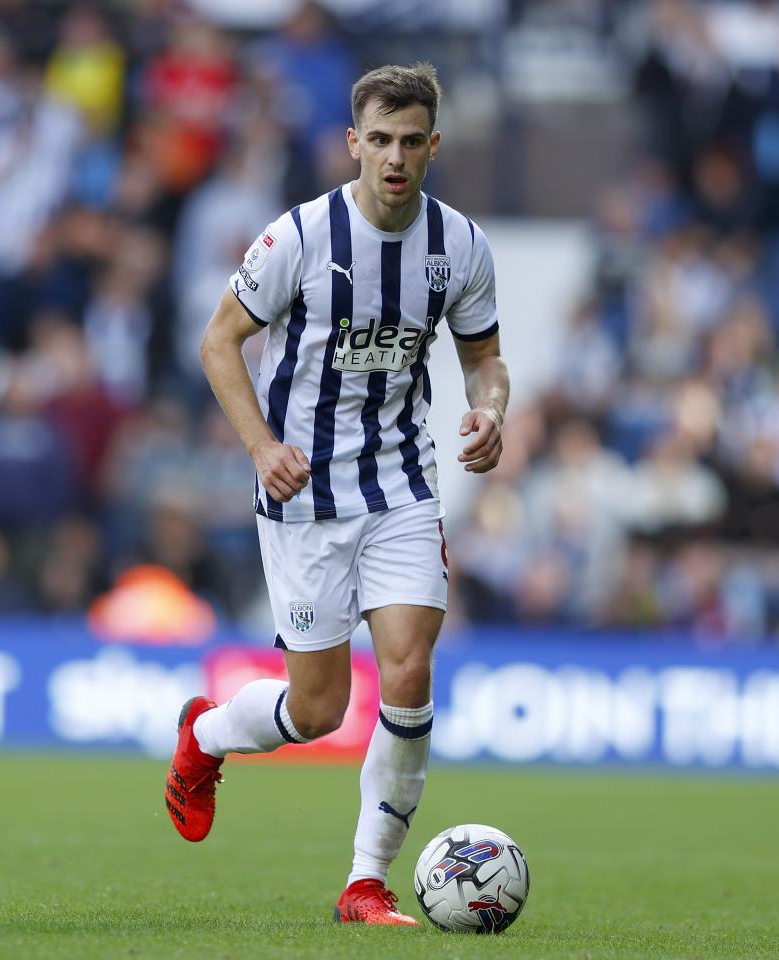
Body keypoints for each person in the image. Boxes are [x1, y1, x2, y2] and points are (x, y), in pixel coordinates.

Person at [163, 62, 509, 926]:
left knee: (408, 669)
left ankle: (365, 882)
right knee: (317, 710)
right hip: (305, 492)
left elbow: (484, 359)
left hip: (401, 483)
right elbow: (218, 343)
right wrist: (261, 445)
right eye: (378, 140)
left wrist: (490, 409)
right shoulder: (299, 238)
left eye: (410, 141)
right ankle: (204, 736)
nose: (394, 158)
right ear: (354, 143)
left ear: (434, 146)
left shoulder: (460, 244)